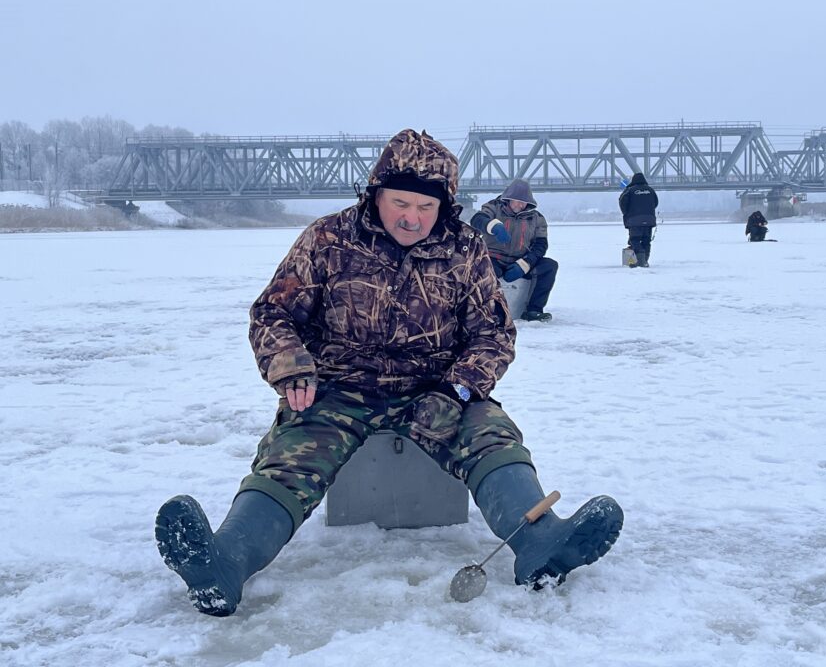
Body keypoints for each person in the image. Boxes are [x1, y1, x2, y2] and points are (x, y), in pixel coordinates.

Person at [154, 129, 623, 616]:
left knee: (492, 435)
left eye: (426, 207)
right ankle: (226, 561)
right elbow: (273, 313)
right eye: (400, 202)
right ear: (375, 192)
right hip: (337, 391)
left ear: (445, 206)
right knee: (291, 460)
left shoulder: (465, 251)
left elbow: (494, 334)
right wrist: (291, 366)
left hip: (436, 390)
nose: (412, 217)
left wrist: (458, 388)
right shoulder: (327, 239)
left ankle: (539, 542)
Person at [470, 179, 558, 322]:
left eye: (523, 202)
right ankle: (487, 310)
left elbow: (541, 245)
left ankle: (533, 310)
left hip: (520, 261)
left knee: (549, 266)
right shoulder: (494, 207)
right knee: (485, 270)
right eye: (516, 201)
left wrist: (526, 263)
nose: (519, 205)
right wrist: (492, 226)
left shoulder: (537, 218)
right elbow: (477, 219)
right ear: (508, 199)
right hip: (493, 256)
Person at [618, 173, 658, 267]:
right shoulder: (650, 190)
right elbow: (655, 203)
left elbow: (622, 202)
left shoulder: (630, 190)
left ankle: (638, 262)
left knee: (634, 240)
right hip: (649, 220)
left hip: (634, 220)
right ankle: (644, 261)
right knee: (646, 240)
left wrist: (627, 213)